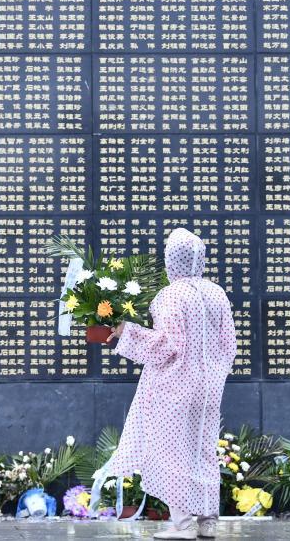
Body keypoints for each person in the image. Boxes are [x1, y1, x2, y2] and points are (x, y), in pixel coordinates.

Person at [105, 228, 237, 540]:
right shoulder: (217, 293)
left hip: (175, 387)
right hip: (208, 390)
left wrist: (128, 331)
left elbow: (166, 345)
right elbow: (229, 344)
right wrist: (212, 373)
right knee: (203, 450)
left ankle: (184, 525)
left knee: (173, 452)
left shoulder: (171, 295)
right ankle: (208, 522)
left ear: (171, 260)